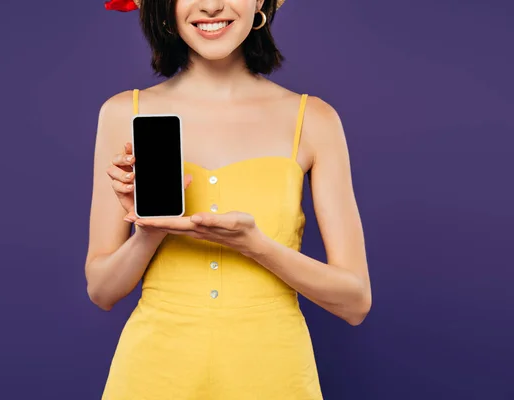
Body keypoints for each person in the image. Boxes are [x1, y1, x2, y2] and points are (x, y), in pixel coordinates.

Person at [85, 0, 372, 398]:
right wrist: (148, 230)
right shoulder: (123, 113)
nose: (211, 5)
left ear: (261, 2)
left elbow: (355, 302)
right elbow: (102, 291)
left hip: (273, 374)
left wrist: (256, 247)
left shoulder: (314, 120)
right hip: (153, 373)